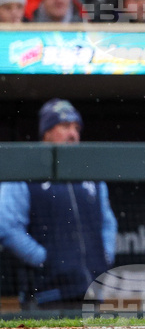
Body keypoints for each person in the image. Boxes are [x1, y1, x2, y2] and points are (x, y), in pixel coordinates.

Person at [0, 100, 117, 310]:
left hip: (91, 291)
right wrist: (46, 260)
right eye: (64, 126)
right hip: (46, 294)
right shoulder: (25, 172)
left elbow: (108, 223)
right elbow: (7, 226)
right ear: (46, 132)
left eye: (76, 128)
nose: (73, 134)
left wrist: (104, 257)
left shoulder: (90, 173)